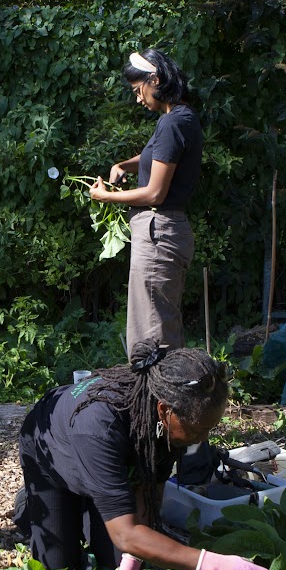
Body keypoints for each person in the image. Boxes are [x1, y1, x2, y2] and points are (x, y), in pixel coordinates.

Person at [17, 340, 280, 570]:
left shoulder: (168, 418)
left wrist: (131, 558)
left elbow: (151, 491)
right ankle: (32, 505)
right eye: (199, 430)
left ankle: (101, 500)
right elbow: (126, 534)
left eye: (209, 429)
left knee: (119, 563)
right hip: (50, 452)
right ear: (164, 411)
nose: (203, 438)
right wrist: (216, 565)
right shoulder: (99, 428)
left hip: (106, 459)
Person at [90, 49, 202, 356]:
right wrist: (124, 165)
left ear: (155, 80)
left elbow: (154, 193)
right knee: (161, 325)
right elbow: (158, 156)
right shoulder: (181, 117)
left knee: (152, 337)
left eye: (138, 90)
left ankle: (159, 401)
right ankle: (169, 399)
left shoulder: (171, 123)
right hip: (168, 232)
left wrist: (107, 197)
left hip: (158, 231)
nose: (138, 99)